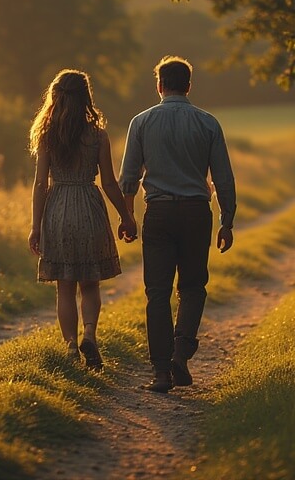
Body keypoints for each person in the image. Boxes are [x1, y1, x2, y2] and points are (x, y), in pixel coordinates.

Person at [119, 56, 236, 392]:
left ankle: (160, 372)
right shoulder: (208, 123)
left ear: (159, 85)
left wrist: (128, 216)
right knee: (193, 287)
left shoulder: (140, 122)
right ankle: (181, 354)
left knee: (157, 293)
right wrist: (227, 220)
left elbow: (129, 177)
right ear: (189, 85)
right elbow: (223, 178)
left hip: (158, 214)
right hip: (197, 213)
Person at [29, 68, 137, 370]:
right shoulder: (98, 136)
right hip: (90, 208)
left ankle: (71, 349)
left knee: (64, 286)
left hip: (58, 209)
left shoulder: (47, 135)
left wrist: (35, 227)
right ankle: (90, 332)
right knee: (90, 285)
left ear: (56, 96)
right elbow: (109, 183)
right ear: (86, 97)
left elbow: (40, 184)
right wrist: (126, 216)